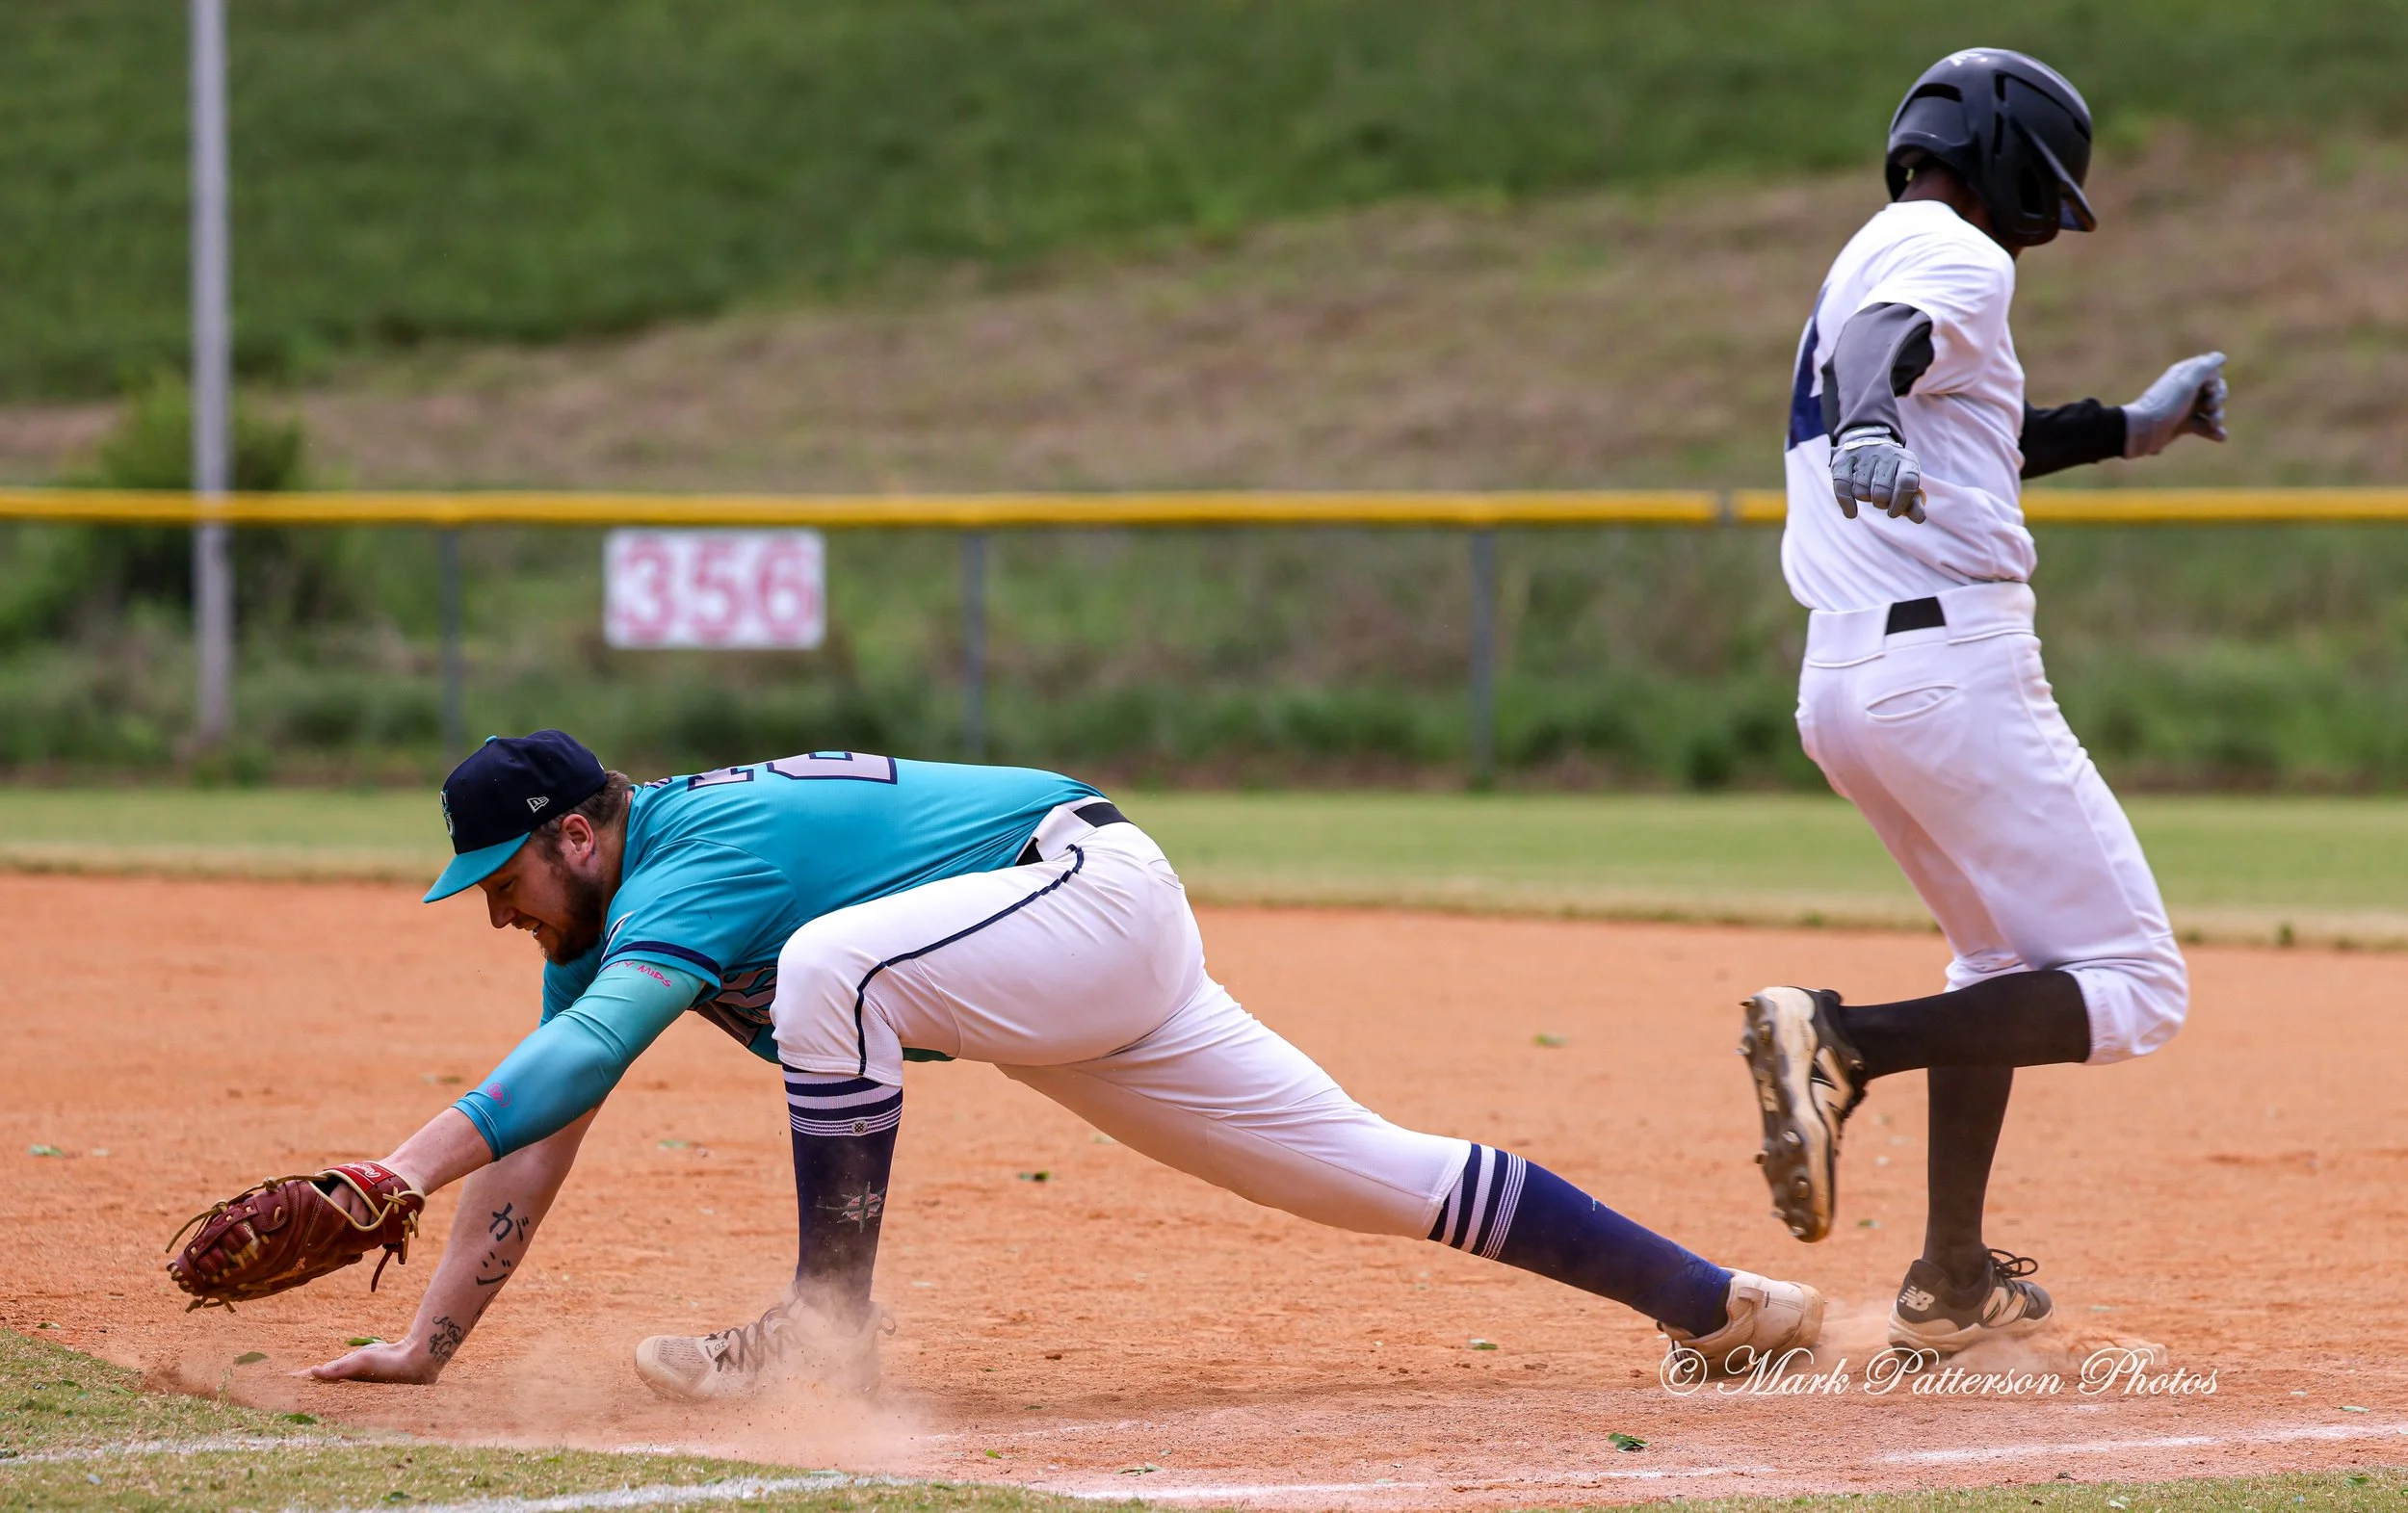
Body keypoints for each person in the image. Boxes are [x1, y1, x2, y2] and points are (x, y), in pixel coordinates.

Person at [306, 731, 1821, 1398]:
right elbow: (551, 1110)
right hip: (1058, 968)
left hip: (1083, 892)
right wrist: (433, 1340)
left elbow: (593, 1043)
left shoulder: (693, 852)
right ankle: (1727, 1305)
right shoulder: (605, 913)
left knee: (838, 969)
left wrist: (384, 1169)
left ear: (579, 829)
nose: (496, 905)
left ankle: (826, 1330)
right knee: (1364, 1172)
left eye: (505, 872)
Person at [1744, 47, 2227, 1354]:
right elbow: (1875, 360)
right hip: (1947, 670)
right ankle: (1842, 1042)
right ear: (2008, 159)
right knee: (2134, 981)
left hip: (1846, 682)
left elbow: (1971, 431)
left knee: (2003, 965)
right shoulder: (1957, 259)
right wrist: (1867, 426)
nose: (2041, 228)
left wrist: (2133, 427)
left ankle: (1951, 1280)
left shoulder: (1873, 248)